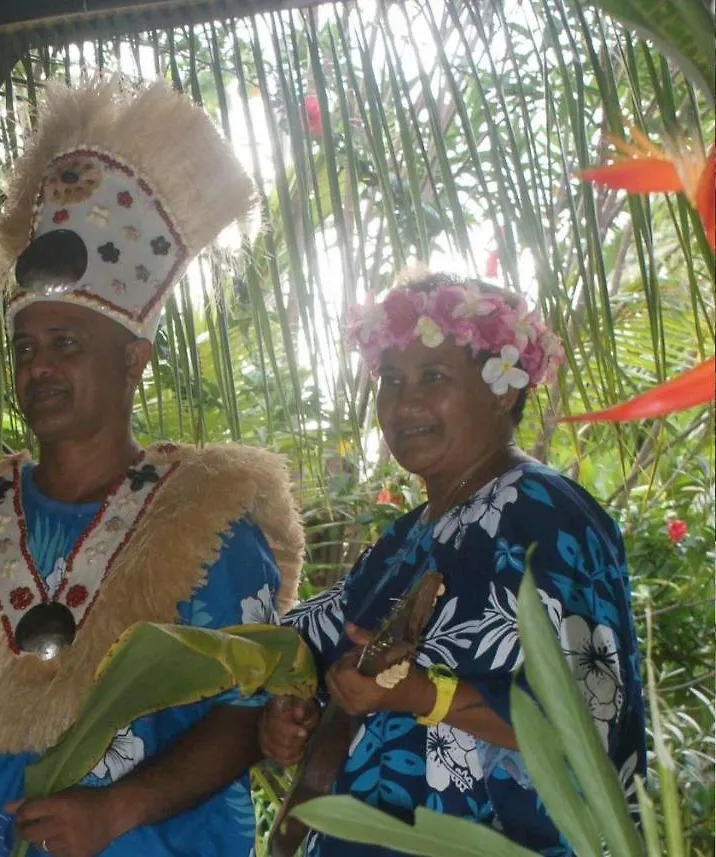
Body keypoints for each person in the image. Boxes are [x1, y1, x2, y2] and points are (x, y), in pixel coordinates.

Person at [0, 80, 306, 857]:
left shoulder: (204, 518)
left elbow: (245, 713)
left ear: (134, 358)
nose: (39, 366)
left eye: (67, 344)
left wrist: (115, 810)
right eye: (26, 347)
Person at [260, 272, 646, 855]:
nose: (403, 401)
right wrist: (286, 715)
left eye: (433, 376)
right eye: (391, 379)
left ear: (503, 391)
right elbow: (306, 645)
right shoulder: (404, 538)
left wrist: (421, 693)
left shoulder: (546, 512)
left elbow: (588, 718)